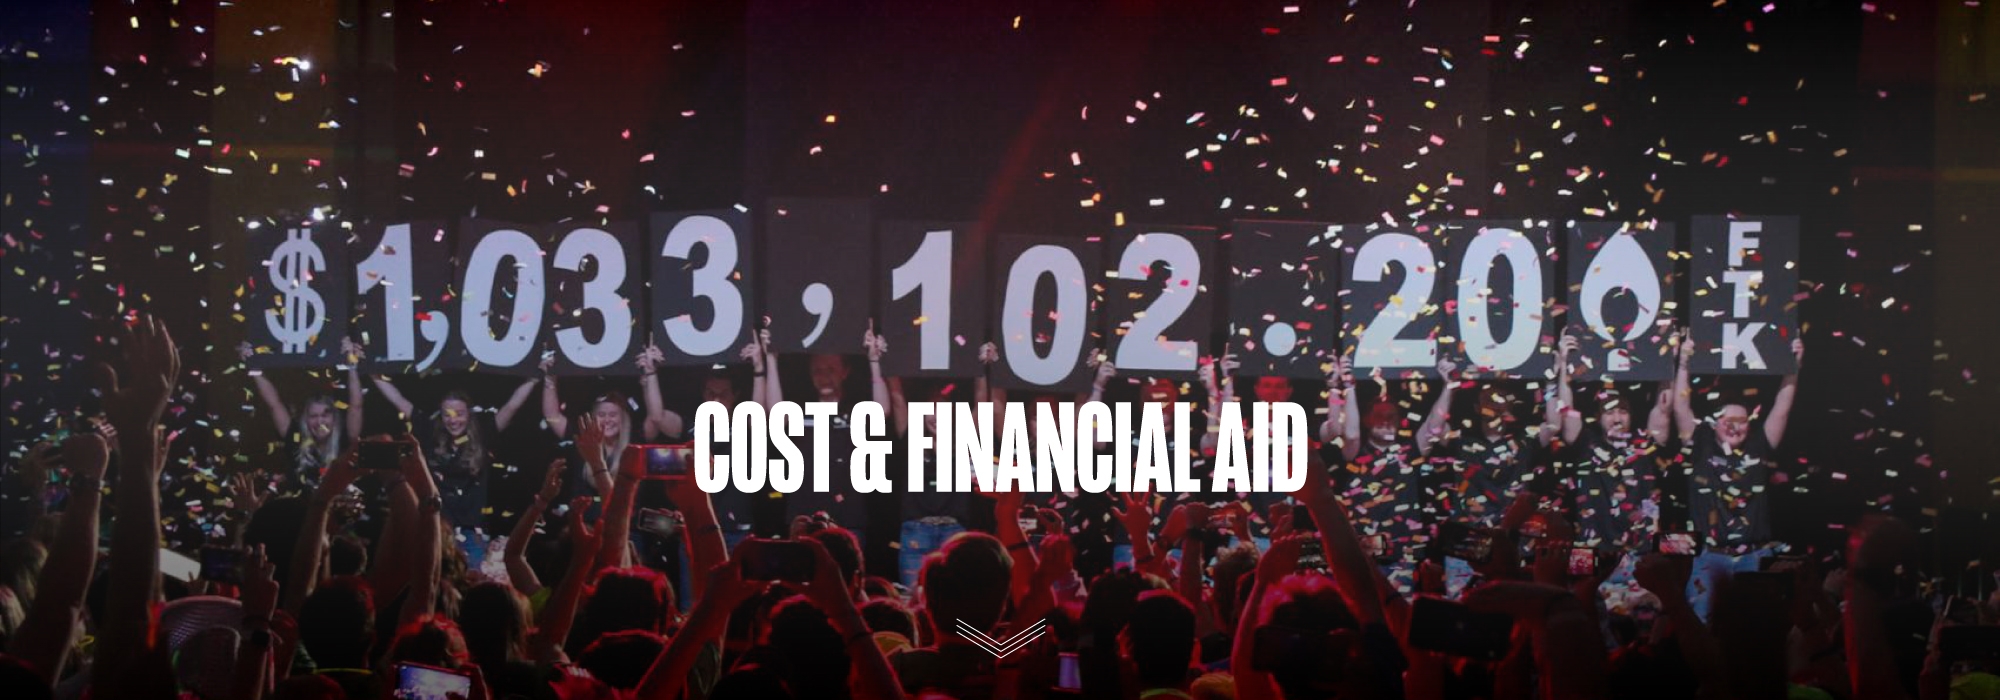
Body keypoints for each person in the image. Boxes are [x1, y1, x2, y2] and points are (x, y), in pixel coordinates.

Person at [371, 374, 537, 564]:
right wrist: (371, 371)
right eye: (447, 414)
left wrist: (535, 377)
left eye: (460, 413)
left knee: (470, 587)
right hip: (436, 529)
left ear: (469, 414)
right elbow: (397, 399)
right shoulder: (430, 432)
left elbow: (512, 406)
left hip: (473, 535)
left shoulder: (483, 435)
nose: (453, 420)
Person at [1554, 333, 1676, 550]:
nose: (1617, 419)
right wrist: (1564, 363)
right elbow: (1565, 410)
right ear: (1599, 418)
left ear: (1631, 416)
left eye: (1623, 412)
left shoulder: (1645, 445)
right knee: (1580, 586)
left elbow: (1664, 409)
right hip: (1590, 551)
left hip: (1640, 553)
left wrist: (1669, 361)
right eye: (1609, 413)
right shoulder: (1587, 444)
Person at [1321, 356, 1454, 546]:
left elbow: (1435, 425)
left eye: (1391, 417)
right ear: (1366, 420)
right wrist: (1349, 387)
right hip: (1362, 551)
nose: (1385, 421)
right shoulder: (1356, 452)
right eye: (1378, 416)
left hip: (1404, 554)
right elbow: (1350, 434)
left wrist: (1449, 386)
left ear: (1399, 421)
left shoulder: (1411, 451)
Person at [240, 338, 365, 492]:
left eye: (325, 414)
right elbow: (274, 404)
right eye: (313, 416)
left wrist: (352, 366)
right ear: (305, 420)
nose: (320, 421)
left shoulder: (345, 438)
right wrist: (254, 368)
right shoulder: (295, 438)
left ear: (335, 417)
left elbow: (356, 406)